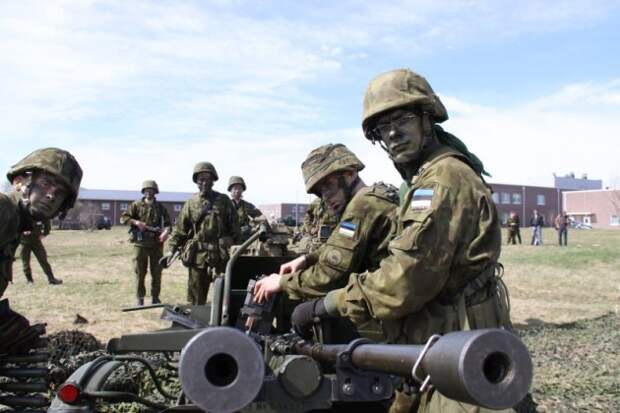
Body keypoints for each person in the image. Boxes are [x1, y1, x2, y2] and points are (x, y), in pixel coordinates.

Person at [288, 69, 513, 413]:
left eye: (402, 119)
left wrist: (327, 305)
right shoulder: (424, 178)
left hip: (458, 344)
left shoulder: (444, 179)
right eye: (382, 127)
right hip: (437, 340)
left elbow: (404, 280)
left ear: (427, 118)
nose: (392, 133)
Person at [253, 144, 398, 339]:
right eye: (320, 192)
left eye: (328, 185)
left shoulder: (361, 205)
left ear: (350, 172)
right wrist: (307, 259)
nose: (326, 197)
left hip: (384, 313)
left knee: (302, 315)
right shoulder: (375, 196)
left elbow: (329, 275)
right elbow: (340, 246)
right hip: (387, 300)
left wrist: (281, 282)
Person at [1, 147, 82, 351]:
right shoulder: (4, 210)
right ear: (19, 181)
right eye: (45, 184)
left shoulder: (16, 221)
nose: (51, 196)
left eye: (60, 193)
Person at [164, 162, 239, 305]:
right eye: (201, 179)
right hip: (198, 257)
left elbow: (235, 229)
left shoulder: (224, 201)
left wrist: (235, 251)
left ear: (213, 180)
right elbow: (180, 230)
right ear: (196, 182)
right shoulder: (191, 203)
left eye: (207, 179)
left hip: (221, 257)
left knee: (225, 299)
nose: (204, 182)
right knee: (196, 301)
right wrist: (170, 250)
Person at [120, 180, 172, 305]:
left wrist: (166, 232)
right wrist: (136, 222)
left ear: (155, 192)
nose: (149, 192)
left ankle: (155, 298)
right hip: (140, 244)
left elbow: (168, 224)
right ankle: (140, 298)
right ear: (143, 192)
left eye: (151, 190)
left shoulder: (160, 207)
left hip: (156, 244)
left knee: (157, 271)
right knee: (140, 271)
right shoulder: (136, 205)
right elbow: (124, 218)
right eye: (147, 190)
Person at [19, 218, 63, 284]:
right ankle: (29, 280)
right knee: (25, 262)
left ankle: (51, 278)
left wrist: (44, 234)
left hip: (36, 241)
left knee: (43, 259)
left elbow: (47, 222)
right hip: (24, 241)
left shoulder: (39, 215)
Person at [227, 176, 263, 242]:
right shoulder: (225, 205)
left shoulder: (247, 206)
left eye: (239, 188)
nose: (237, 191)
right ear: (230, 190)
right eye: (235, 188)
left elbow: (260, 216)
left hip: (244, 238)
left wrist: (259, 221)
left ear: (242, 190)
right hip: (229, 237)